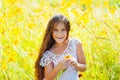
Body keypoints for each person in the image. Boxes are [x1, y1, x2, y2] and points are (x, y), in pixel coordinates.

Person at [35, 14, 86, 80]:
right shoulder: (49, 54)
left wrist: (76, 65)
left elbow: (84, 67)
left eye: (63, 30)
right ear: (51, 32)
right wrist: (58, 68)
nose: (59, 33)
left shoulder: (75, 44)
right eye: (56, 30)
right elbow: (47, 79)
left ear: (68, 30)